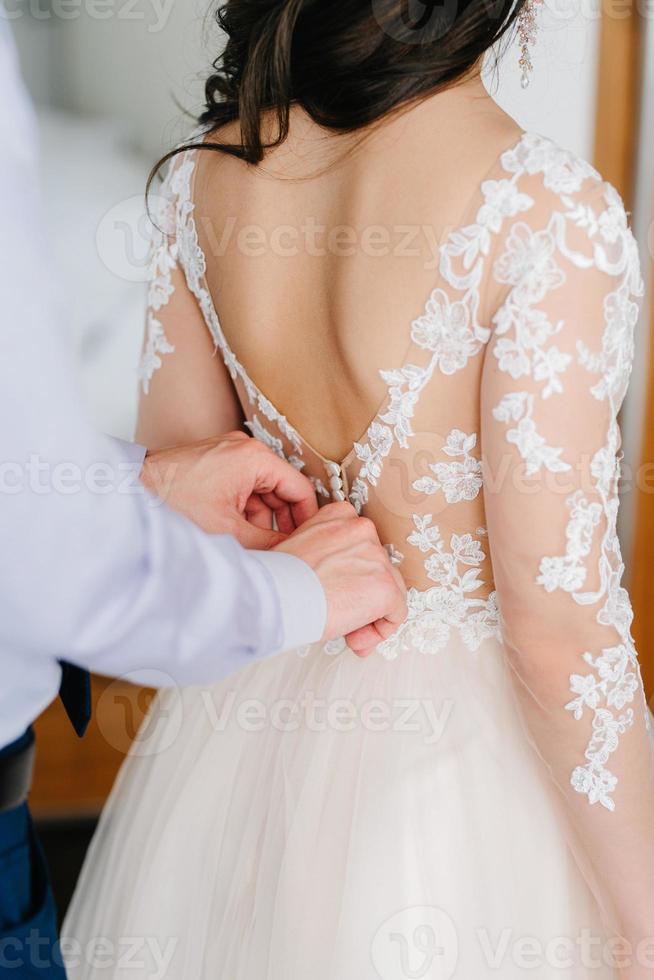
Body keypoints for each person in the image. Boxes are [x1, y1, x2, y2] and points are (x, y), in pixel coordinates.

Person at [64, 0, 654, 976]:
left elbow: (192, 505)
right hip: (463, 782)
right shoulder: (551, 215)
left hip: (247, 749)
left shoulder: (205, 178)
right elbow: (558, 632)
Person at [0, 18, 408, 979]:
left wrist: (140, 478)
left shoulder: (203, 178)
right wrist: (293, 597)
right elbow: (66, 573)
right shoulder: (550, 207)